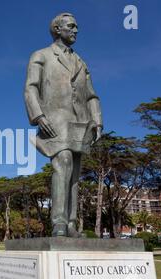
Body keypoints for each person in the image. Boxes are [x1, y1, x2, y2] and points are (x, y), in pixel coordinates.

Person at [24, 13, 103, 237]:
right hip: (54, 120)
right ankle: (58, 221)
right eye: (71, 26)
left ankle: (70, 223)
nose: (76, 30)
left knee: (75, 171)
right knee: (63, 161)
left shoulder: (81, 62)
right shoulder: (41, 55)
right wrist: (38, 116)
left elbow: (91, 96)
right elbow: (30, 88)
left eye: (77, 27)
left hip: (80, 121)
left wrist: (97, 120)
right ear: (57, 29)